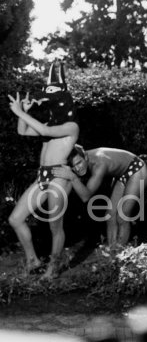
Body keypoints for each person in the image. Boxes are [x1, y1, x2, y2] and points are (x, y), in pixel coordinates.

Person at [7, 62, 79, 279]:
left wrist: (20, 111)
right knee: (16, 219)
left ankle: (53, 268)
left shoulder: (71, 126)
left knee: (55, 226)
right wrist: (24, 113)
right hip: (43, 176)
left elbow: (45, 130)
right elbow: (23, 131)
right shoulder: (49, 122)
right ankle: (33, 261)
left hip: (58, 176)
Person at [52, 145, 147, 246]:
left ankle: (119, 254)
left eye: (79, 163)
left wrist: (72, 177)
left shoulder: (99, 164)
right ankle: (112, 251)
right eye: (73, 167)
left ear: (86, 157)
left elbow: (86, 196)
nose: (77, 168)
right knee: (110, 216)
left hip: (137, 168)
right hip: (123, 174)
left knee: (122, 217)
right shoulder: (84, 158)